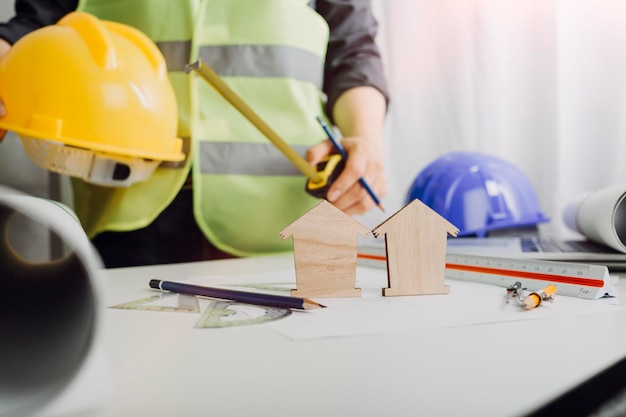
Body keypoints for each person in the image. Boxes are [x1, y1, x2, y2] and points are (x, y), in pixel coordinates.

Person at [0, 0, 389, 267]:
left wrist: (366, 140)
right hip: (127, 208)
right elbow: (32, 26)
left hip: (285, 217)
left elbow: (352, 50)